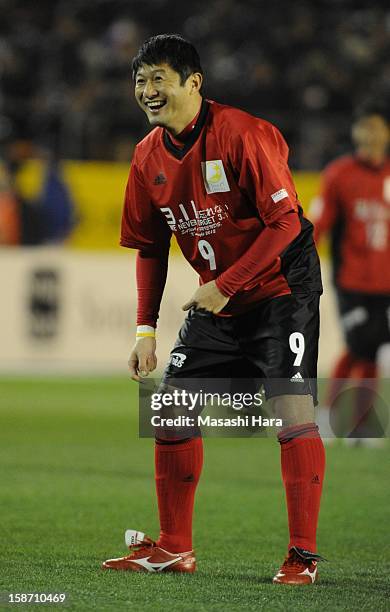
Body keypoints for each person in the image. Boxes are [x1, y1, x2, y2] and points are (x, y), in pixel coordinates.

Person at [102, 34, 325, 585]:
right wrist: (145, 329)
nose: (148, 91)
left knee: (291, 413)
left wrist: (226, 283)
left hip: (280, 290)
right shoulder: (146, 157)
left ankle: (302, 555)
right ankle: (175, 547)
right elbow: (151, 249)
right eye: (140, 80)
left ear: (193, 83)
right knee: (171, 408)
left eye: (159, 79)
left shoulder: (244, 135)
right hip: (220, 297)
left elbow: (286, 224)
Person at [312, 101, 390, 442]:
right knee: (362, 343)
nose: (372, 137)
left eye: (378, 131)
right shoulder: (339, 174)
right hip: (351, 281)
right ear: (357, 135)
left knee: (372, 348)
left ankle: (360, 423)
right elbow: (320, 223)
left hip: (385, 283)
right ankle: (328, 416)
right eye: (366, 131)